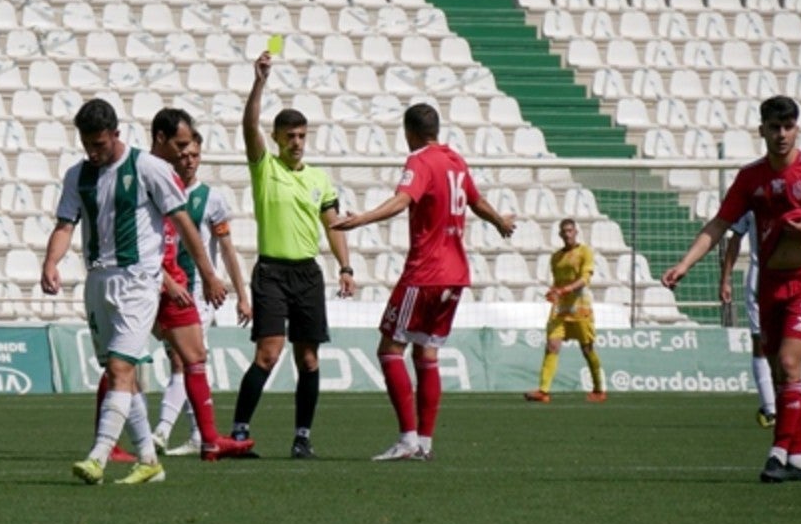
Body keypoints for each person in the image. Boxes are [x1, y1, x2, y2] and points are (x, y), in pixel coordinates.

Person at [662, 96, 801, 483]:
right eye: (774, 127)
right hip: (768, 283)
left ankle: (778, 453)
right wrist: (684, 263)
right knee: (784, 374)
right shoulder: (751, 178)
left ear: (797, 129)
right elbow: (719, 224)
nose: (781, 134)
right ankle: (798, 459)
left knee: (787, 363)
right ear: (761, 129)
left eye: (788, 127)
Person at [42, 99, 227, 486]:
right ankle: (148, 460)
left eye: (100, 144)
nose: (93, 152)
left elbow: (184, 223)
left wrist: (209, 275)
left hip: (139, 281)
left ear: (116, 135)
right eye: (87, 145)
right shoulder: (78, 175)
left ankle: (98, 456)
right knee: (116, 371)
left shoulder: (149, 168)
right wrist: (51, 263)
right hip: (98, 282)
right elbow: (65, 225)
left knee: (121, 369)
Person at [331, 103, 515, 461]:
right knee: (426, 353)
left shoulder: (420, 160)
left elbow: (403, 200)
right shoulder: (455, 161)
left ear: (408, 132)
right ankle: (424, 443)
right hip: (456, 274)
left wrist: (361, 220)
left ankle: (408, 440)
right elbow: (476, 201)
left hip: (426, 273)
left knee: (389, 350)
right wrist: (499, 223)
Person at [230, 51, 355, 460]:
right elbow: (249, 125)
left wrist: (346, 268)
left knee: (309, 358)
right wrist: (259, 83)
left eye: (302, 136)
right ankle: (239, 431)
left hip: (307, 274)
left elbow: (332, 224)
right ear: (278, 138)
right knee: (268, 353)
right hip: (271, 272)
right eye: (290, 136)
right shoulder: (265, 168)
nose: (297, 143)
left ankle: (302, 436)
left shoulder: (320, 178)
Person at [144, 116, 254, 461]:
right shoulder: (161, 189)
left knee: (185, 360)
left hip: (198, 293)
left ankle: (163, 431)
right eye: (184, 153)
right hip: (161, 286)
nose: (189, 160)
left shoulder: (212, 199)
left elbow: (226, 249)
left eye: (195, 154)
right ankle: (197, 434)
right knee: (185, 361)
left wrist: (241, 293)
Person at [523, 219, 607, 403]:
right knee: (551, 346)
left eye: (570, 230)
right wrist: (554, 292)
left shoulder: (585, 252)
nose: (568, 234)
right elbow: (558, 282)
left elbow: (585, 279)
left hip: (580, 307)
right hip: (561, 309)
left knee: (587, 349)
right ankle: (543, 391)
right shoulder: (556, 258)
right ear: (560, 235)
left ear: (576, 232)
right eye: (564, 231)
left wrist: (564, 290)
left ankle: (599, 389)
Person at [721, 211, 778, 428]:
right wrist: (725, 279)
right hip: (760, 279)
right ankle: (770, 407)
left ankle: (782, 404)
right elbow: (735, 237)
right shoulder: (752, 195)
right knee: (760, 343)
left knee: (785, 346)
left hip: (792, 278)